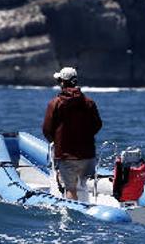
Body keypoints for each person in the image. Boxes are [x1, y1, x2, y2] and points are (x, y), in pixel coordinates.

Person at [42, 67, 102, 201]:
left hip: (66, 155)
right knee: (83, 184)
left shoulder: (55, 104)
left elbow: (47, 129)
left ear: (62, 83)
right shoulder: (89, 103)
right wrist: (85, 137)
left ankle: (74, 217)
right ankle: (88, 211)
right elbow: (97, 125)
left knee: (70, 189)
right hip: (88, 155)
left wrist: (57, 142)